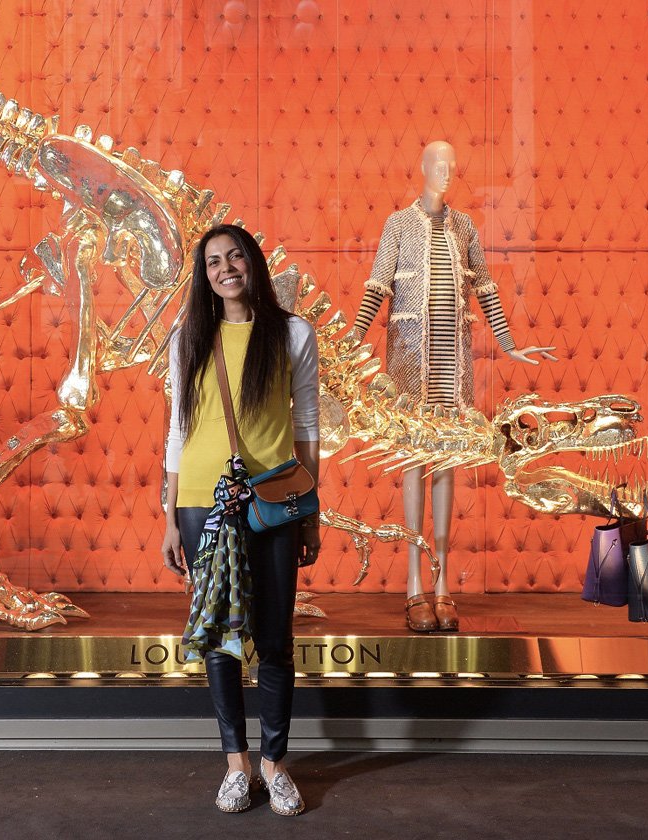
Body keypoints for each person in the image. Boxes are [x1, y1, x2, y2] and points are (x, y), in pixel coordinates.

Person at [350, 140, 557, 633]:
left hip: (453, 365)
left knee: (445, 464)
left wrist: (508, 344)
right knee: (413, 463)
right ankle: (413, 583)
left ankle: (441, 582)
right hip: (409, 364)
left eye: (451, 166)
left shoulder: (464, 227)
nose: (445, 172)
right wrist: (349, 344)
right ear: (422, 167)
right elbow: (377, 288)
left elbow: (485, 288)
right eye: (437, 164)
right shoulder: (398, 225)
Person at [161, 224, 321, 816]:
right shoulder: (187, 338)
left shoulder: (294, 333)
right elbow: (178, 429)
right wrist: (169, 517)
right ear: (203, 276)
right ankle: (236, 765)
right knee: (220, 639)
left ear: (253, 263)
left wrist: (311, 514)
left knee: (275, 639)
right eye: (212, 262)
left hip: (272, 499)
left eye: (235, 257)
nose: (225, 269)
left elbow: (307, 425)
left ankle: (276, 765)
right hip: (201, 501)